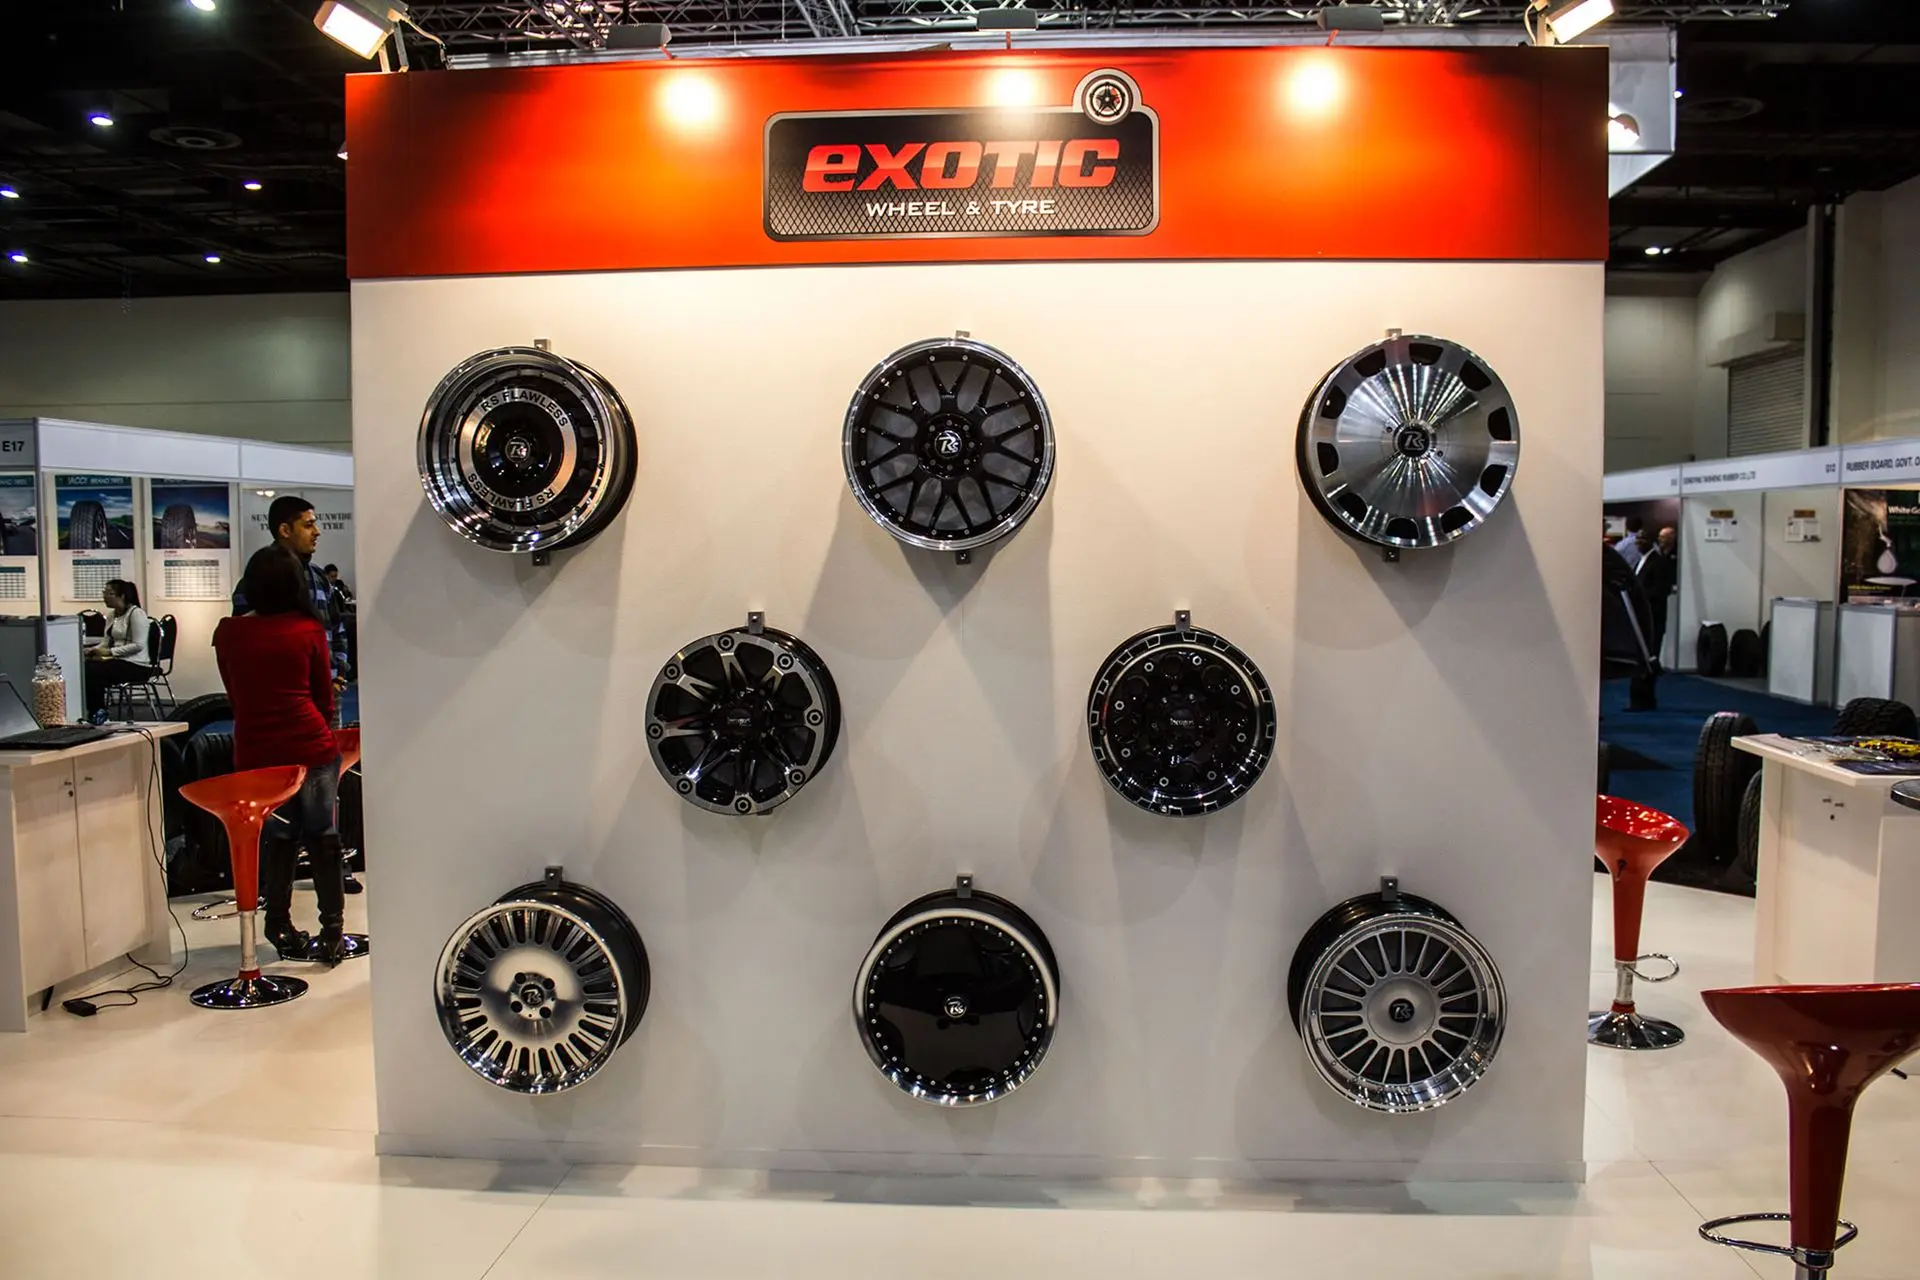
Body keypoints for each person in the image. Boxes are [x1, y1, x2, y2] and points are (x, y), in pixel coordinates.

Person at [215, 545, 353, 966]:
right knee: (323, 835)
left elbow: (234, 695)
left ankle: (278, 924)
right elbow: (323, 698)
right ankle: (333, 932)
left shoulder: (228, 632)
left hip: (257, 750)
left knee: (280, 837)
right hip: (310, 746)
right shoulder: (307, 629)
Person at [82, 580, 152, 723]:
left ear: (122, 596)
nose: (105, 596)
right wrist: (93, 650)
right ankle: (90, 711)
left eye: (109, 593)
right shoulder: (111, 615)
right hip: (117, 660)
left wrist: (110, 652)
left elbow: (138, 645)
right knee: (85, 667)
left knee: (94, 672)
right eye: (104, 592)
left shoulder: (136, 614)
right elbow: (106, 641)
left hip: (136, 664)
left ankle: (99, 713)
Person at [1637, 526, 1679, 660]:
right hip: (1642, 614)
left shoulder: (1659, 562)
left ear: (1651, 542)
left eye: (1643, 540)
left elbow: (1662, 590)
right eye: (1638, 540)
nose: (1639, 543)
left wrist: (1641, 595)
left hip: (1653, 614)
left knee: (1653, 648)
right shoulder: (1641, 561)